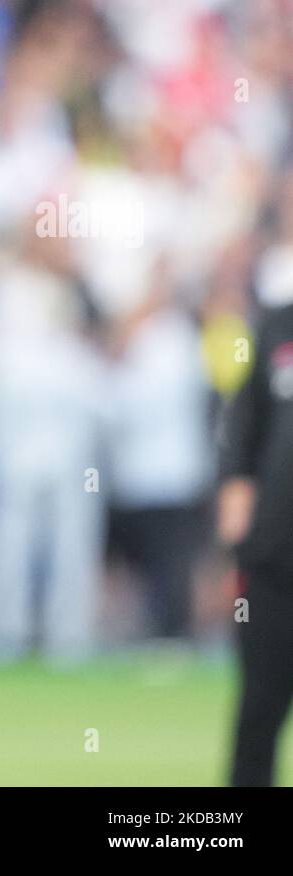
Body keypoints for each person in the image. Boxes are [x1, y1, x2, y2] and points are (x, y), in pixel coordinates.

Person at [218, 299, 293, 786]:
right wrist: (238, 539)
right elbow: (244, 432)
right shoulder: (278, 325)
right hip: (275, 557)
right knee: (259, 710)